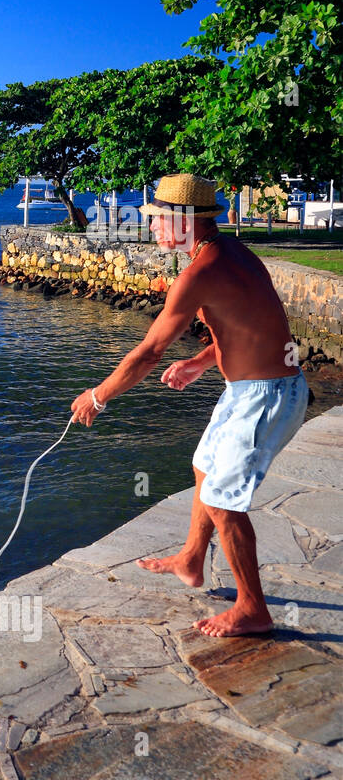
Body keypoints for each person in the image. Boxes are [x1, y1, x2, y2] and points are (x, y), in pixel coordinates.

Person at [69, 173, 307, 637]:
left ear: (185, 221)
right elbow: (252, 328)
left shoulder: (198, 274)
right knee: (204, 467)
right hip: (251, 390)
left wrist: (98, 396)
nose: (152, 227)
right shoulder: (233, 254)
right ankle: (192, 560)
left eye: (159, 220)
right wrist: (200, 361)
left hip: (268, 396)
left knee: (224, 503)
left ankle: (253, 608)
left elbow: (148, 352)